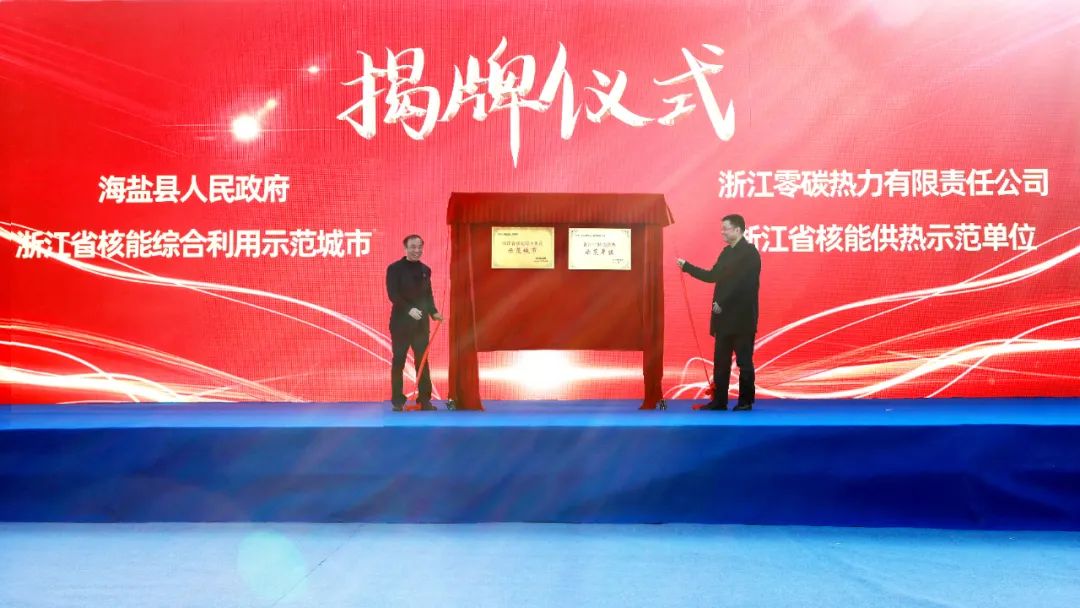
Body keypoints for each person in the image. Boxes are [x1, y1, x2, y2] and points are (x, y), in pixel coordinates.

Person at [676, 214, 761, 411]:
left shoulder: (750, 253)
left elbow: (744, 286)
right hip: (723, 318)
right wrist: (687, 267)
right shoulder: (726, 253)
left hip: (742, 318)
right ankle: (719, 401)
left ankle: (745, 401)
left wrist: (723, 302)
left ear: (738, 230)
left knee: (744, 362)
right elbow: (712, 276)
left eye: (726, 229)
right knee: (720, 362)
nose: (722, 232)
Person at [386, 234, 444, 411]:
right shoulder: (394, 269)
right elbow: (393, 294)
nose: (416, 250)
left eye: (419, 247)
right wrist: (409, 309)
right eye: (413, 247)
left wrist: (433, 312)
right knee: (399, 361)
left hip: (420, 325)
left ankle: (424, 400)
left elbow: (428, 295)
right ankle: (398, 401)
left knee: (422, 361)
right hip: (401, 324)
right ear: (405, 248)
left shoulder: (425, 270)